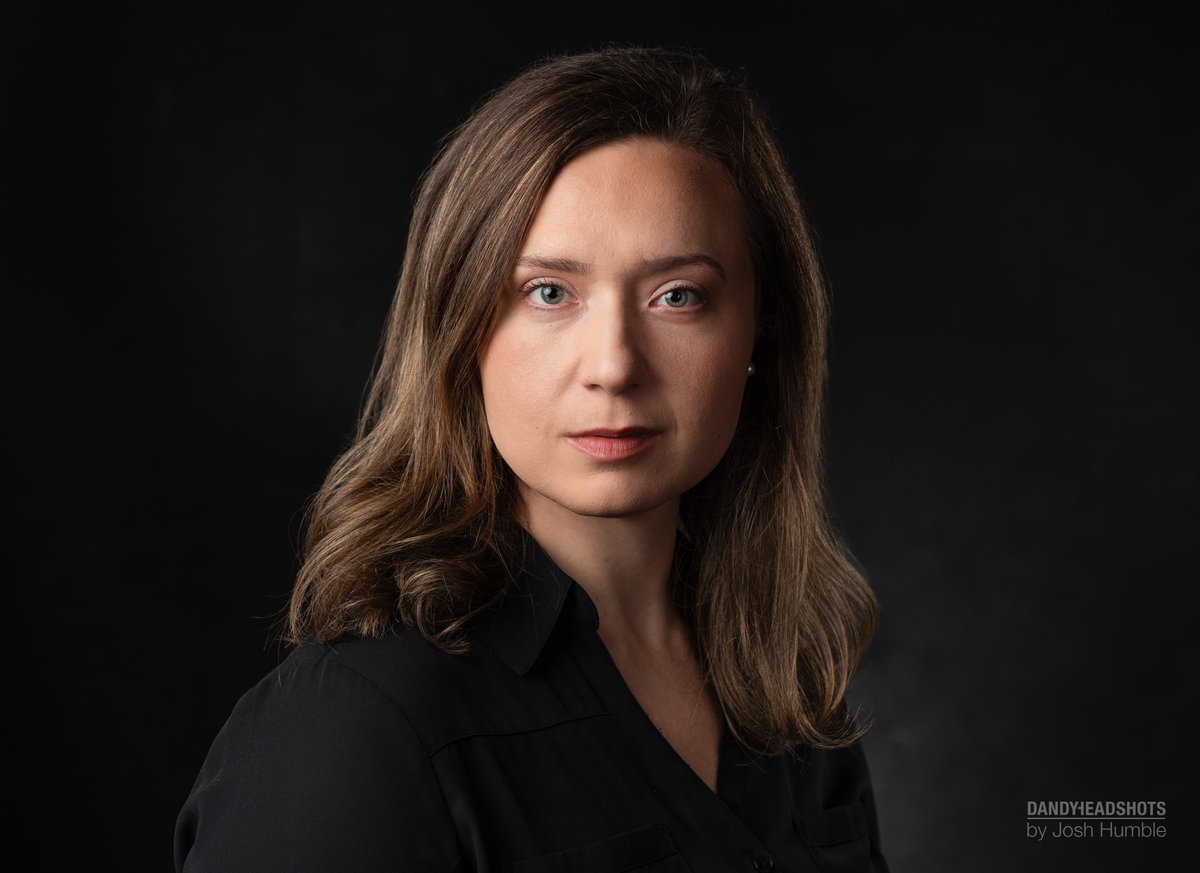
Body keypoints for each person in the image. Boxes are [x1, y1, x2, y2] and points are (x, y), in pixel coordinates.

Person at [175, 46, 888, 872]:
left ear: (763, 332)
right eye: (549, 292)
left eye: (677, 296)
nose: (614, 364)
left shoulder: (791, 696)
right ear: (461, 330)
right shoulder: (357, 727)